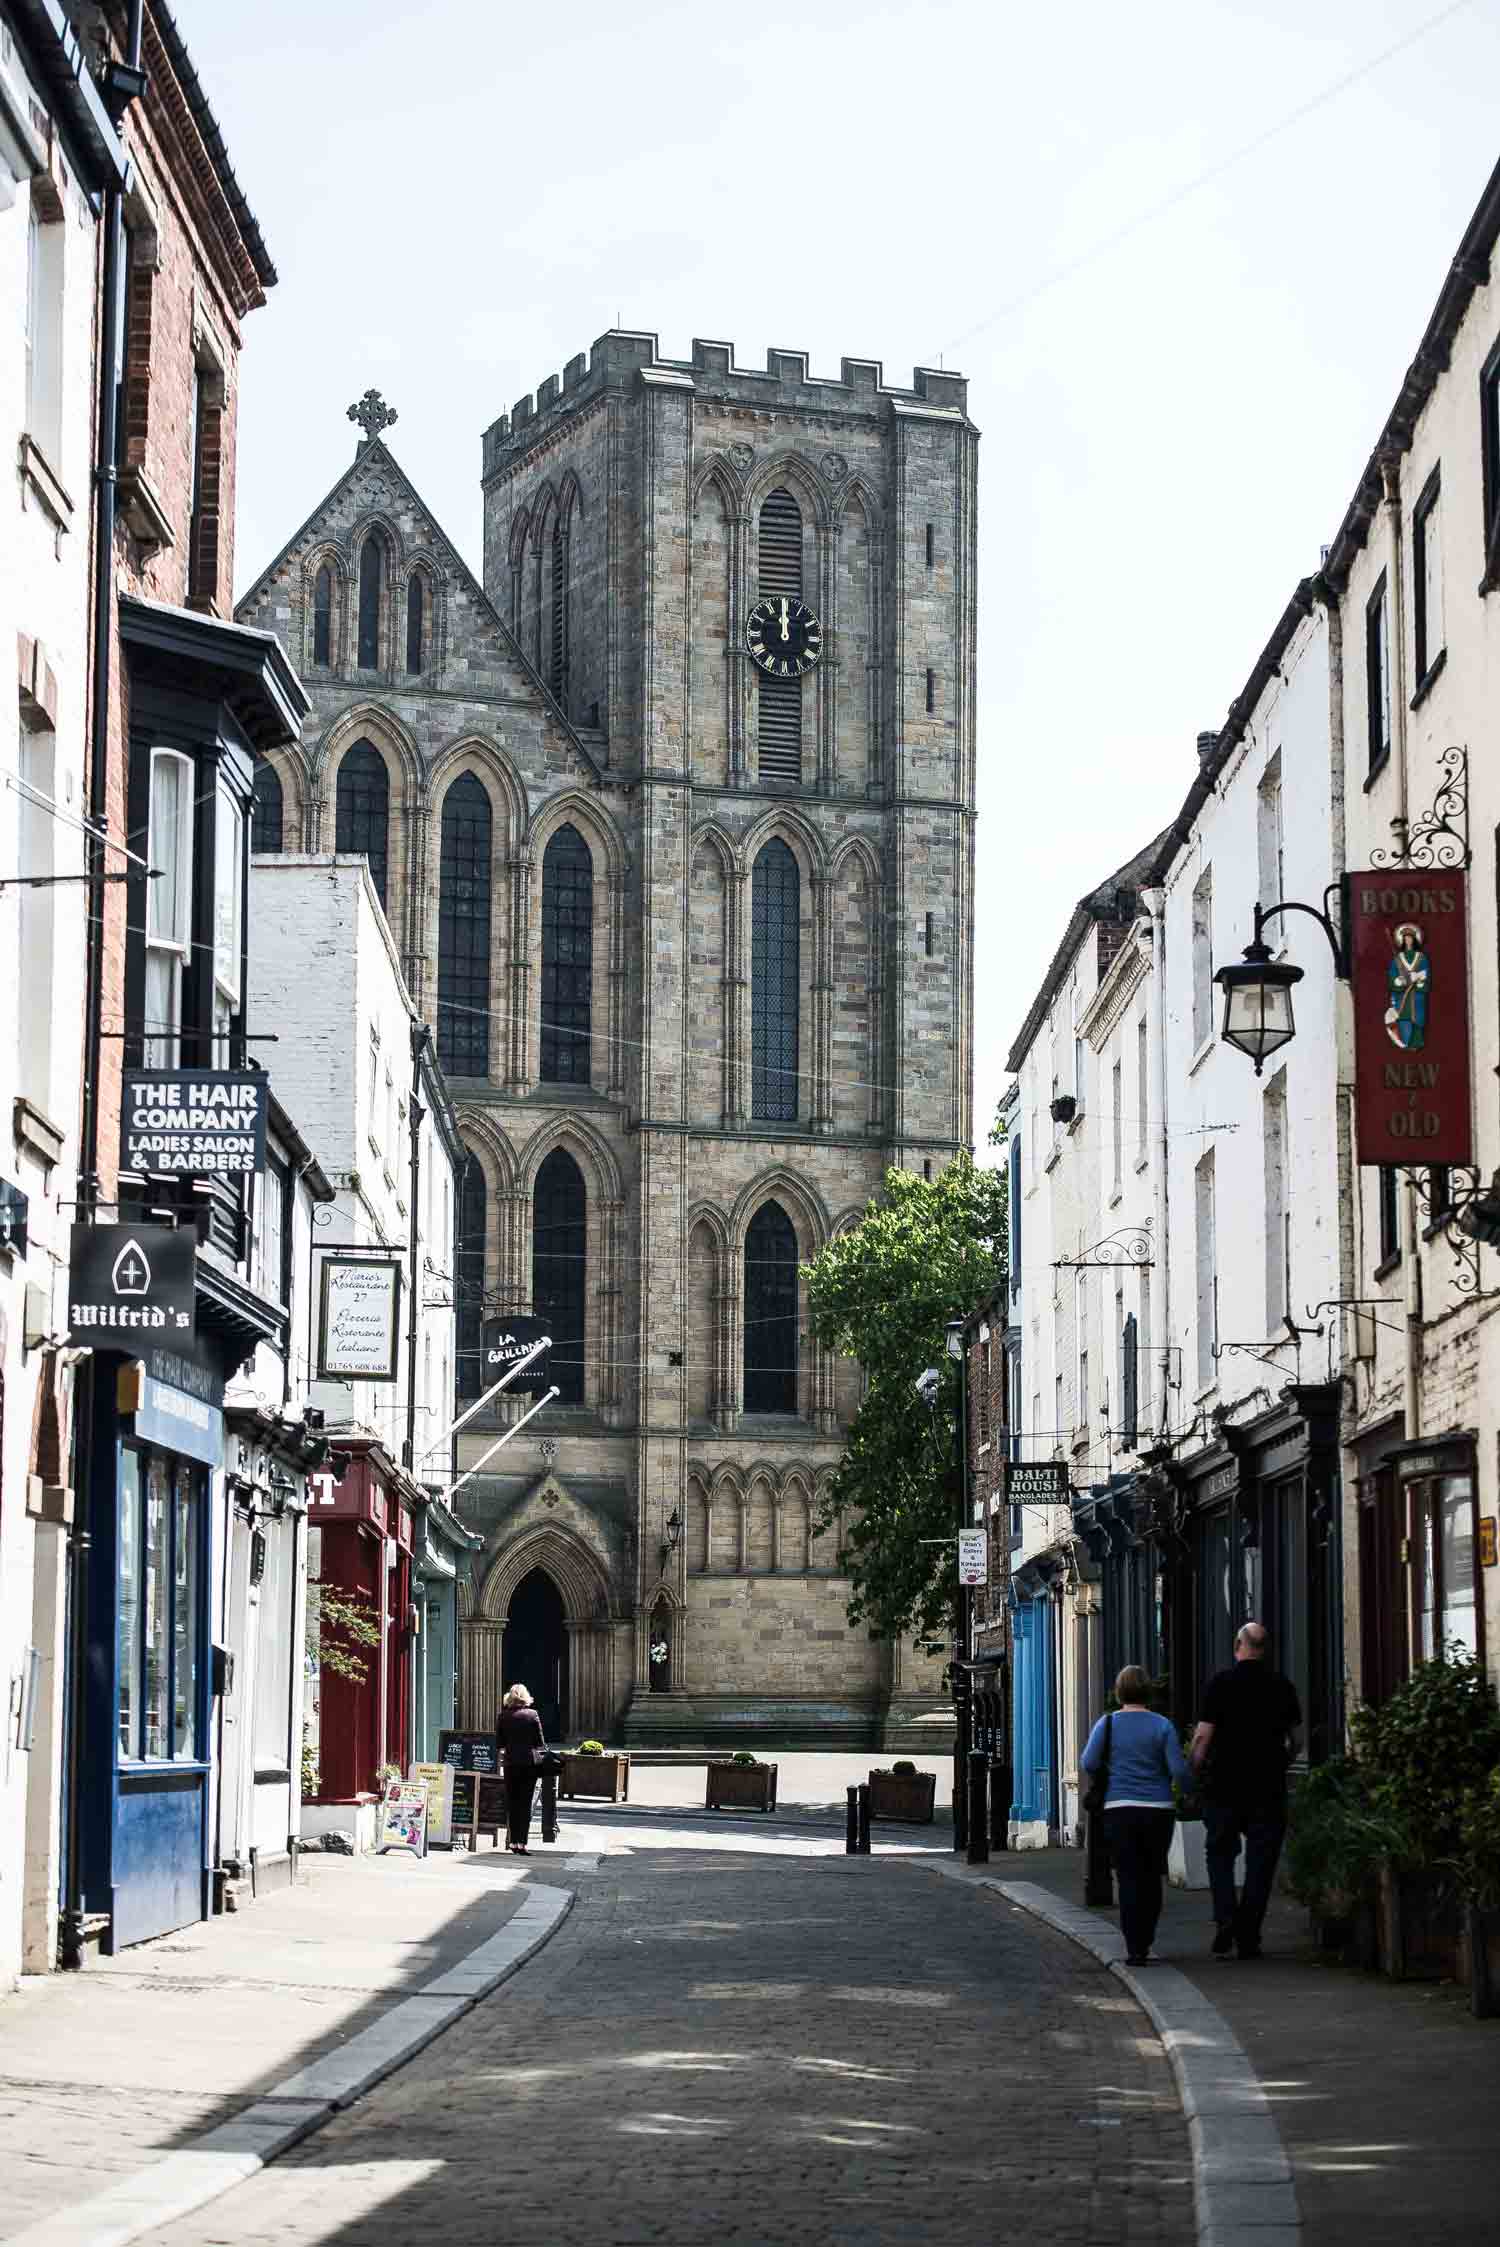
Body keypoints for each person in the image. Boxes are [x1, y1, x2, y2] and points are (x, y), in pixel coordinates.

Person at [1190, 1620, 1302, 1961]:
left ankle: (1226, 1917)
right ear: (1265, 1648)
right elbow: (1296, 1740)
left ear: (1238, 1645)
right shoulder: (1281, 1685)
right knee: (1261, 1862)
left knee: (1220, 1854)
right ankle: (1249, 1934)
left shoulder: (1220, 1684)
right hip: (1266, 1785)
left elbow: (1203, 1737)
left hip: (1223, 1783)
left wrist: (1195, 1767)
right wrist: (1282, 1760)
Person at [1080, 1666, 1189, 1967]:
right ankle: (1147, 1934)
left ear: (1119, 1692)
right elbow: (1178, 1770)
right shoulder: (1163, 1726)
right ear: (1148, 1691)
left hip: (1119, 1809)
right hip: (1158, 1810)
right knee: (1152, 1876)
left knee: (1128, 1877)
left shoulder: (1108, 1724)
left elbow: (1088, 1761)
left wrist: (1112, 1773)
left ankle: (1134, 1946)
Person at [496, 1682, 546, 1854]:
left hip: (510, 1763)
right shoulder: (533, 1715)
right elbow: (540, 1743)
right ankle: (522, 1844)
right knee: (525, 1804)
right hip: (529, 1764)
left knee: (512, 1803)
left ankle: (512, 1842)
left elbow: (500, 1743)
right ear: (526, 1697)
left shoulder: (503, 1716)